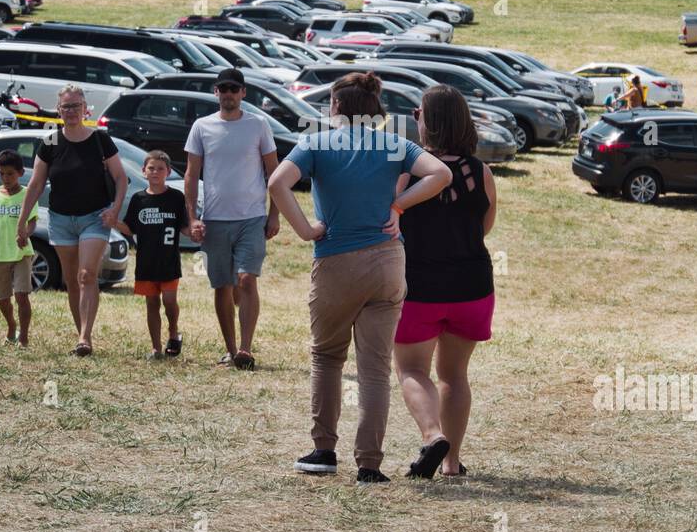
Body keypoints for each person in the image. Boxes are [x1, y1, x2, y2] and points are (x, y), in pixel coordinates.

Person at [268, 72, 451, 485]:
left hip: (336, 259)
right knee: (374, 368)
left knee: (327, 356)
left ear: (335, 105)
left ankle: (324, 450)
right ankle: (369, 463)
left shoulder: (315, 142)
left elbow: (277, 182)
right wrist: (399, 206)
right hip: (388, 261)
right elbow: (441, 174)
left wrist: (304, 229)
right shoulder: (393, 144)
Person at [393, 86, 497, 479]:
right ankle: (452, 463)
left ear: (427, 120)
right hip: (472, 286)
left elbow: (393, 221)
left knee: (411, 370)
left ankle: (432, 434)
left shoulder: (409, 170)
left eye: (418, 112)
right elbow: (484, 228)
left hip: (419, 286)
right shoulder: (481, 171)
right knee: (454, 374)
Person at [18, 85, 127, 357]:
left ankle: (85, 337)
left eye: (76, 106)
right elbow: (36, 183)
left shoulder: (100, 140)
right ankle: (82, 335)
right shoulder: (52, 141)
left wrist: (114, 209)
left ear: (85, 109)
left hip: (95, 217)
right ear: (58, 110)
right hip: (61, 218)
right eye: (66, 107)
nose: (71, 111)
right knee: (70, 279)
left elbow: (121, 178)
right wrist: (23, 220)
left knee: (86, 274)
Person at [184, 68, 281, 370]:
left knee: (246, 279)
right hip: (214, 219)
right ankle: (229, 348)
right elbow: (191, 173)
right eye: (223, 88)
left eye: (233, 89)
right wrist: (192, 218)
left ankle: (245, 348)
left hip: (252, 217)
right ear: (216, 92)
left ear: (243, 93)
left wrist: (274, 214)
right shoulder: (202, 127)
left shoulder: (258, 125)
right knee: (223, 286)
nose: (228, 93)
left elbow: (274, 172)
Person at [116, 150, 191, 360]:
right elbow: (130, 229)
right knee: (151, 304)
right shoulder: (139, 199)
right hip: (146, 263)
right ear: (143, 171)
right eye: (151, 168)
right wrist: (112, 221)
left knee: (169, 302)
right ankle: (156, 348)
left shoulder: (176, 198)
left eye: (160, 168)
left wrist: (196, 231)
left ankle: (174, 333)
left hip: (169, 262)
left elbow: (184, 227)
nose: (155, 172)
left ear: (168, 171)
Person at [0, 149, 38, 347]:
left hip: (21, 254)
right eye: (2, 173)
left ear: (20, 172)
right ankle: (12, 326)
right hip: (0, 254)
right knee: (3, 299)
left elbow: (32, 222)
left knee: (21, 295)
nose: (6, 178)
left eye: (10, 173)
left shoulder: (28, 194)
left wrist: (25, 234)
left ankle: (24, 336)